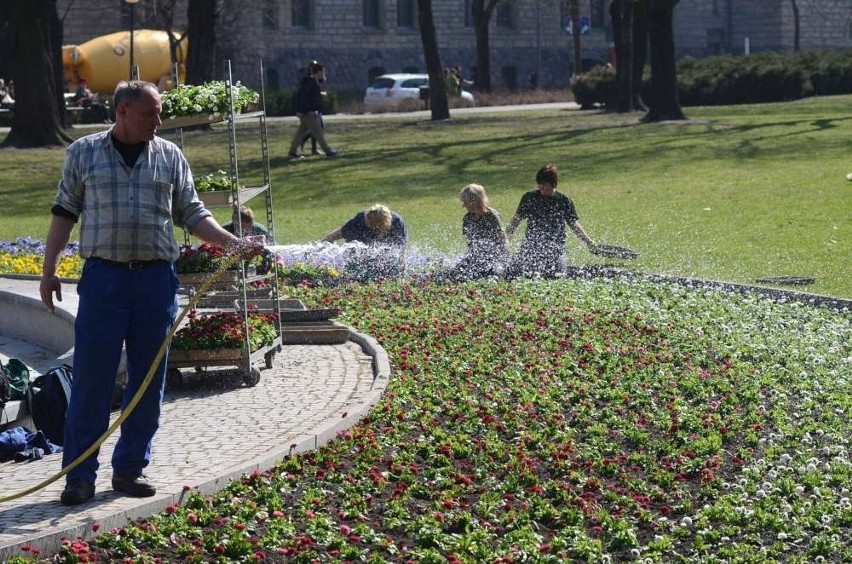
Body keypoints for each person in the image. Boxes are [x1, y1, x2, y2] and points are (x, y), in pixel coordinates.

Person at [39, 80, 264, 506]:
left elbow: (192, 212)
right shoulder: (83, 153)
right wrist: (49, 271)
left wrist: (231, 243)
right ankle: (79, 476)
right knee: (92, 380)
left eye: (158, 114)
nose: (158, 122)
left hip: (156, 282)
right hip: (104, 280)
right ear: (122, 112)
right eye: (150, 114)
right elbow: (64, 211)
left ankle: (130, 469)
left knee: (148, 380)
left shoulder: (170, 155)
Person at [504, 164, 597, 279]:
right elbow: (515, 222)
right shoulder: (529, 198)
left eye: (544, 184)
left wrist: (589, 242)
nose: (540, 187)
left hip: (556, 249)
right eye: (539, 184)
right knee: (512, 273)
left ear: (553, 184)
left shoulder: (563, 200)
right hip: (531, 247)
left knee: (556, 276)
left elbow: (574, 225)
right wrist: (504, 240)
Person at [322, 204, 407, 280]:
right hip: (358, 252)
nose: (374, 229)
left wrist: (401, 278)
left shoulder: (397, 223)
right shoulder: (359, 221)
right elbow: (336, 235)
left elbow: (401, 252)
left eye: (377, 227)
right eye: (370, 225)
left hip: (383, 254)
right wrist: (320, 249)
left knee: (390, 265)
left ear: (387, 223)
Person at [446, 184, 510, 281]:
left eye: (465, 202)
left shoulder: (492, 215)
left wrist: (505, 261)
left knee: (494, 277)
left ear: (474, 201)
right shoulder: (468, 218)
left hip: (494, 258)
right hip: (477, 257)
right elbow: (471, 246)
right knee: (455, 275)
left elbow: (502, 240)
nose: (464, 206)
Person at [288, 62, 338, 159]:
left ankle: (292, 152)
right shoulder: (311, 82)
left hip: (308, 113)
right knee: (318, 133)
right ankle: (328, 151)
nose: (324, 74)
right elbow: (304, 97)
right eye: (323, 72)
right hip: (310, 113)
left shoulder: (312, 81)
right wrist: (301, 110)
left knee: (300, 133)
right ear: (318, 72)